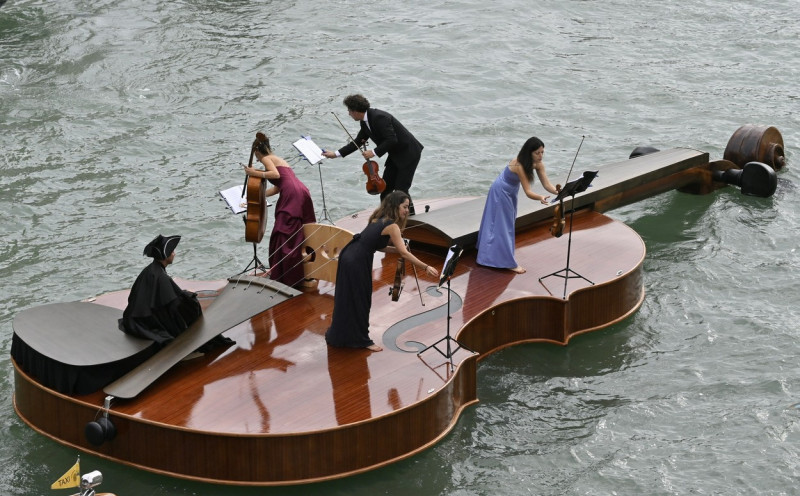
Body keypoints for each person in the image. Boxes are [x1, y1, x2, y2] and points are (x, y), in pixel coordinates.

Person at [325, 191, 438, 351]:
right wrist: (426, 267)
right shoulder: (392, 226)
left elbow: (375, 245)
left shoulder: (379, 218)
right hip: (357, 260)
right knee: (361, 300)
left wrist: (397, 250)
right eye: (405, 207)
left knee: (349, 297)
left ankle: (343, 335)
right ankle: (363, 341)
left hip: (349, 254)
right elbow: (404, 253)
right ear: (395, 206)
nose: (407, 210)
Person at [321, 94, 424, 214]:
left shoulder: (379, 117)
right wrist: (336, 154)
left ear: (355, 111)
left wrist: (373, 152)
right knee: (386, 189)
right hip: (395, 155)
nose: (348, 114)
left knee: (401, 190)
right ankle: (386, 217)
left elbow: (392, 139)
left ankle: (411, 218)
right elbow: (358, 141)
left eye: (349, 111)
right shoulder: (365, 121)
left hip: (408, 153)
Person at [476, 137, 559, 274]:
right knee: (503, 225)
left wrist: (560, 192)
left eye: (542, 152)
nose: (540, 156)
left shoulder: (539, 164)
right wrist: (540, 197)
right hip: (501, 190)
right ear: (529, 153)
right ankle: (507, 262)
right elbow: (528, 192)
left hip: (511, 190)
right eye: (537, 153)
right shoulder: (519, 165)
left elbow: (547, 184)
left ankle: (488, 252)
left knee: (504, 222)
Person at [244, 132, 317, 288]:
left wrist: (254, 172)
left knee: (284, 232)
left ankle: (286, 276)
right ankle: (293, 271)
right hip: (300, 191)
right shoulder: (278, 159)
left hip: (291, 193)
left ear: (257, 151)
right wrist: (255, 197)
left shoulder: (266, 159)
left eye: (256, 155)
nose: (257, 159)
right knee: (295, 232)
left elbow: (274, 174)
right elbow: (278, 186)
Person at [119, 235, 202, 343]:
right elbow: (174, 304)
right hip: (143, 323)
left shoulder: (149, 270)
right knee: (192, 304)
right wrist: (191, 298)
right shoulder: (161, 277)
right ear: (166, 255)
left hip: (132, 319)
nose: (174, 254)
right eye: (172, 251)